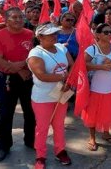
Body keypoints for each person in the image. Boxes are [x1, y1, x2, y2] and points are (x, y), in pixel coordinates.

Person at [0, 7, 36, 162]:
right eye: (14, 17)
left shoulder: (30, 35)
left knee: (30, 112)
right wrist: (18, 70)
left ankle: (30, 140)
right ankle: (4, 146)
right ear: (6, 19)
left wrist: (22, 66)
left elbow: (35, 55)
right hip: (7, 79)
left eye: (20, 17)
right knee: (5, 115)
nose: (18, 20)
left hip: (28, 78)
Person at [27, 23, 74, 168]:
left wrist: (69, 82)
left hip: (61, 95)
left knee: (59, 125)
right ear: (40, 37)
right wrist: (63, 78)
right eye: (51, 34)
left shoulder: (61, 47)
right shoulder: (36, 53)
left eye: (55, 33)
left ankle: (60, 151)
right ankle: (40, 156)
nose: (55, 36)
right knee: (42, 128)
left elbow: (71, 65)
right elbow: (41, 75)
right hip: (43, 97)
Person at [83, 23, 111, 151]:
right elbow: (84, 64)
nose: (109, 34)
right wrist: (100, 67)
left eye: (110, 32)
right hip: (95, 88)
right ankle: (92, 137)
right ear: (97, 34)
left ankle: (106, 133)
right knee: (93, 114)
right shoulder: (92, 49)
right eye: (106, 32)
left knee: (108, 112)